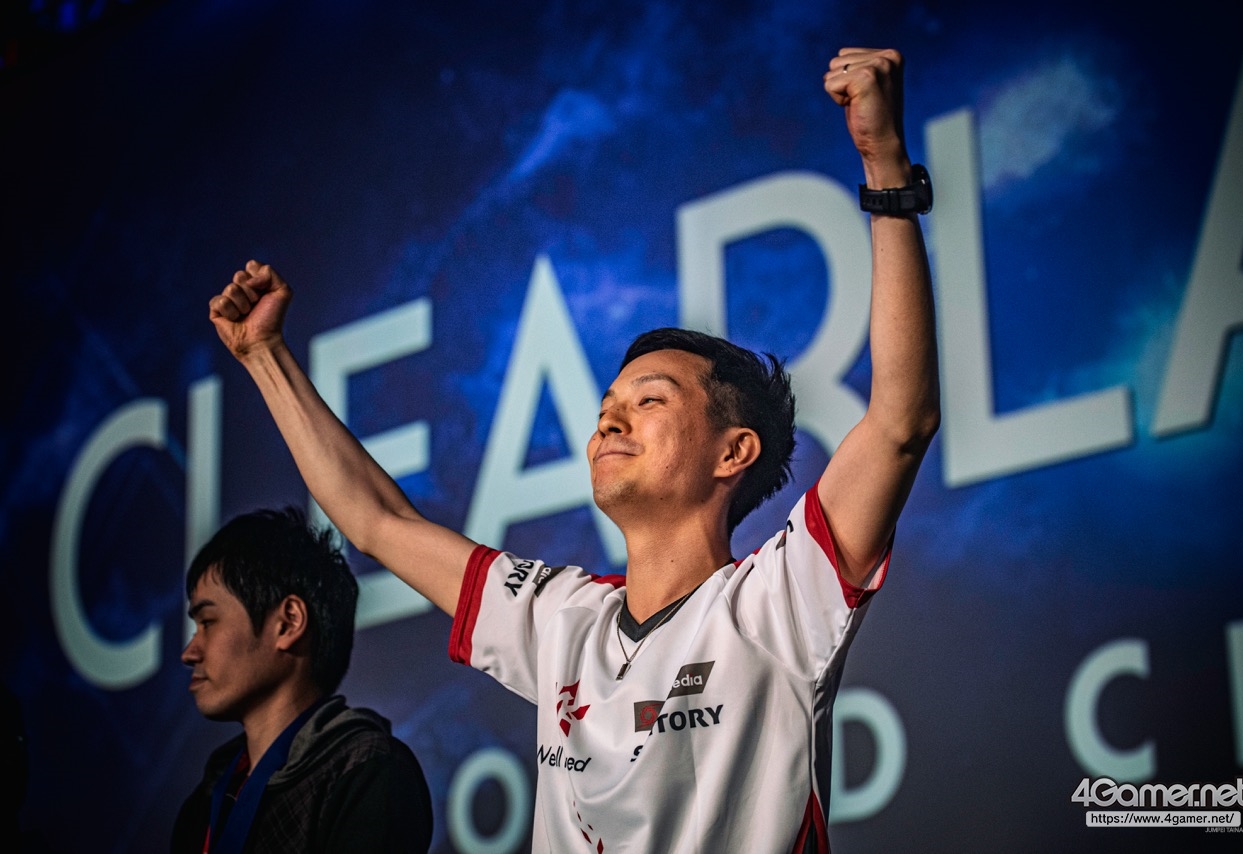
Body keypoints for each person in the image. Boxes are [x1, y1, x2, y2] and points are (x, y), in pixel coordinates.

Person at [208, 46, 938, 852]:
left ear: (734, 452)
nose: (610, 424)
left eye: (649, 401)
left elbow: (900, 421)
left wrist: (884, 167)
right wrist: (264, 357)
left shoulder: (777, 602)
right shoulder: (561, 620)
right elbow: (377, 521)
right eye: (605, 410)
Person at [171, 507, 434, 853]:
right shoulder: (208, 797)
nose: (189, 653)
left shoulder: (368, 772)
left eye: (207, 622)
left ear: (288, 623)